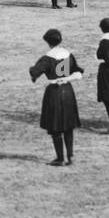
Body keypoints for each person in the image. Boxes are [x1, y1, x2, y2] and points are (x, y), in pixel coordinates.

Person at [28, 28, 83, 166]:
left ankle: (60, 158)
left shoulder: (47, 58)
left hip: (54, 92)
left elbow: (35, 71)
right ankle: (70, 155)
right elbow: (77, 71)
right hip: (68, 90)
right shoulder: (68, 54)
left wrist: (32, 72)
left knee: (55, 125)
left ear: (47, 42)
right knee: (68, 125)